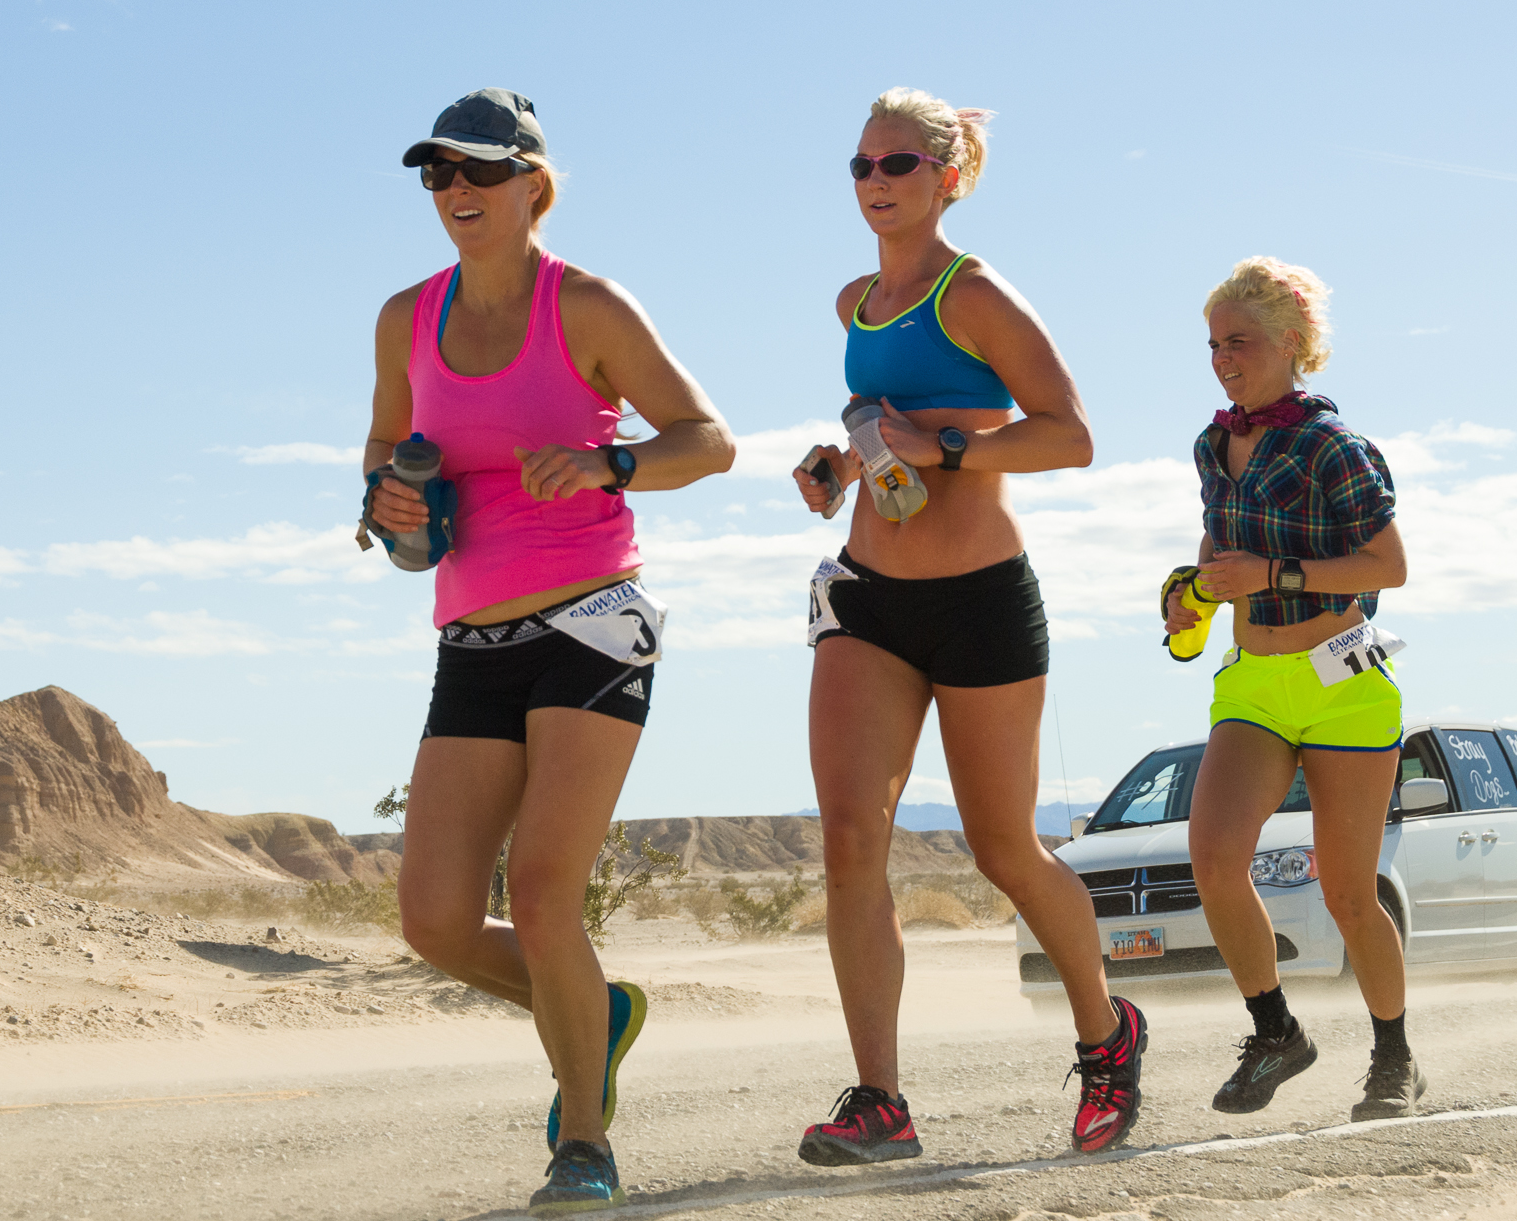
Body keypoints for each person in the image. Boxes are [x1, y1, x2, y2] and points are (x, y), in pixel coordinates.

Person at [368, 89, 734, 1216]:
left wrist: (609, 466)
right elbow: (389, 501)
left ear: (534, 181)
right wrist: (399, 510)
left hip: (593, 621)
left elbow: (707, 441)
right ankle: (598, 1016)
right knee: (431, 916)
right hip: (471, 635)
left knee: (540, 892)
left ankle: (584, 1141)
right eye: (438, 175)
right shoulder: (404, 318)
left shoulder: (587, 305)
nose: (457, 192)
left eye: (479, 171)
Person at [792, 88, 1149, 1161]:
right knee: (852, 838)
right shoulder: (854, 298)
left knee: (1003, 847)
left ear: (947, 175)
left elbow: (1069, 436)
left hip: (982, 595)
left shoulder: (976, 292)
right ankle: (879, 1102)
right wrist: (839, 464)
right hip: (867, 593)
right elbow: (884, 422)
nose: (873, 183)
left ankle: (1105, 1033)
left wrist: (946, 449)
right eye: (858, 165)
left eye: (896, 164)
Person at [1165, 256, 1419, 1121]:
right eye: (1212, 344)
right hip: (1254, 684)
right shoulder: (1212, 443)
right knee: (1212, 858)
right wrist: (1190, 597)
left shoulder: (1333, 446)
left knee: (1348, 893)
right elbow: (1213, 551)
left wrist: (1275, 569)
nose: (1222, 358)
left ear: (1292, 343)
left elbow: (1388, 566)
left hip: (1343, 685)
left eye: (1238, 341)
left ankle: (1392, 1060)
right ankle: (1276, 1033)